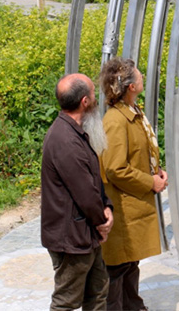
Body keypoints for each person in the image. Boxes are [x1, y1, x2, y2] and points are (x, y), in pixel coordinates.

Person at [98, 58, 167, 311]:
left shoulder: (134, 113)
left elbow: (138, 152)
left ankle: (133, 307)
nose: (142, 78)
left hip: (133, 204)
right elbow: (115, 168)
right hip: (123, 208)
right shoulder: (116, 121)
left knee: (130, 263)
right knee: (117, 267)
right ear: (130, 86)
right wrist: (151, 182)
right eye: (139, 75)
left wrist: (156, 170)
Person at [41, 73, 114, 311]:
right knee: (66, 301)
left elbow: (93, 181)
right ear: (85, 101)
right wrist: (103, 220)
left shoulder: (75, 132)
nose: (96, 100)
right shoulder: (65, 140)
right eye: (94, 95)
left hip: (84, 234)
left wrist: (107, 207)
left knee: (98, 291)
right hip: (71, 238)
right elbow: (85, 193)